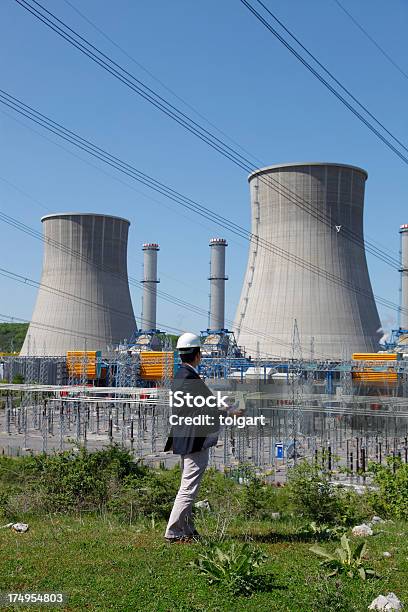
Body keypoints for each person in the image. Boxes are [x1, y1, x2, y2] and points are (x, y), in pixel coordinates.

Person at [163, 332, 238, 543]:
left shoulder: (183, 375)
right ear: (198, 354)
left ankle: (187, 528)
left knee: (189, 486)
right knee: (188, 488)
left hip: (188, 436)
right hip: (193, 438)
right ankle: (174, 531)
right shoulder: (188, 377)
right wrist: (227, 412)